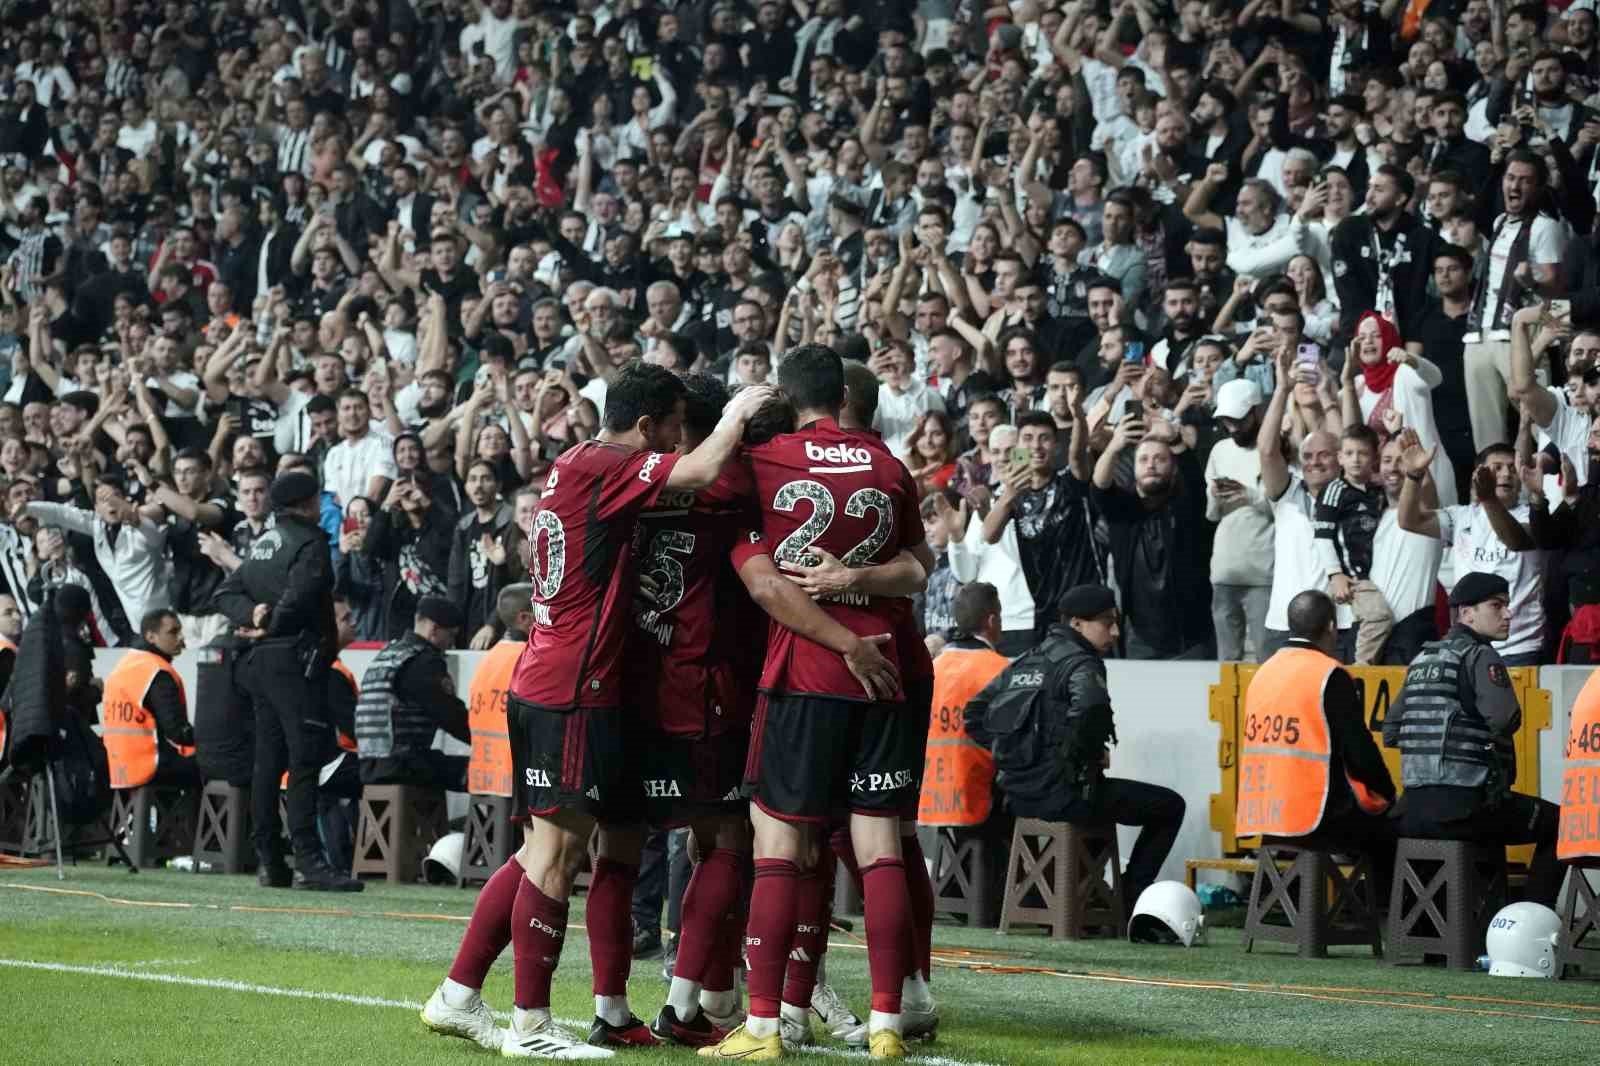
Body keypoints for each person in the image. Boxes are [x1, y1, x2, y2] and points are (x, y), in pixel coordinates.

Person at [439, 363, 770, 1060]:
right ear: (647, 427)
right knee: (559, 858)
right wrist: (739, 417)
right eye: (671, 430)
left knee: (546, 852)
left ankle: (461, 992)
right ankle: (532, 1025)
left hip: (574, 678)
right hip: (579, 687)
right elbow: (700, 474)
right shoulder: (621, 466)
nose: (678, 442)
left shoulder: (572, 462)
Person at [707, 344, 926, 1061]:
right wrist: (860, 577)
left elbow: (768, 585)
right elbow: (918, 570)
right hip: (887, 670)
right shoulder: (889, 465)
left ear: (788, 396)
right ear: (845, 394)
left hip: (809, 673)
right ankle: (890, 1019)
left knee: (779, 842)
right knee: (880, 845)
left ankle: (765, 1024)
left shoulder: (765, 461)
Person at [965, 584, 1186, 911]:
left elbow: (973, 713)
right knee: (1170, 807)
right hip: (1064, 796)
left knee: (1100, 801)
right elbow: (1090, 709)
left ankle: (1086, 893)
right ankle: (1127, 897)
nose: (1114, 631)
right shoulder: (1083, 662)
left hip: (1017, 795)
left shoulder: (1028, 659)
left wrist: (1013, 755)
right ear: (1077, 624)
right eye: (1105, 622)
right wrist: (1080, 755)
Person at [213, 470, 361, 893]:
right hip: (297, 659)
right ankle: (311, 861)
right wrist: (275, 622)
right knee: (304, 759)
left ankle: (270, 860)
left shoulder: (264, 544)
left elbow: (225, 594)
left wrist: (256, 617)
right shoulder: (311, 541)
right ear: (311, 503)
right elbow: (304, 592)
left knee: (268, 760)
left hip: (262, 662)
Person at [1384, 572, 1561, 907]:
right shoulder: (1481, 656)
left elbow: (1392, 732)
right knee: (1561, 824)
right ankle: (1531, 925)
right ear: (1466, 614)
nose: (1508, 614)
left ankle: (1437, 941)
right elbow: (1505, 719)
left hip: (1412, 813)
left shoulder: (1422, 660)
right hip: (1465, 809)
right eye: (1497, 605)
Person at [1237, 590, 1397, 888]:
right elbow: (1360, 751)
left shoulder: (1264, 672)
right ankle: (1381, 919)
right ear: (1332, 627)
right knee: (1395, 829)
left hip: (1266, 818)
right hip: (1315, 816)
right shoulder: (1327, 674)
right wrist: (1388, 793)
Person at [354, 596, 471, 790]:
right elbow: (452, 717)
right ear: (434, 629)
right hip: (402, 765)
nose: (451, 643)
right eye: (450, 635)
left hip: (368, 766)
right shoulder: (423, 662)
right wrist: (488, 740)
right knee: (481, 771)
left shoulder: (387, 655)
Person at [1315, 426, 1392, 664]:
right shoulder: (1334, 490)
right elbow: (1323, 537)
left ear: (1374, 459)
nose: (1355, 459)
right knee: (1380, 617)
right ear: (1340, 458)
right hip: (1350, 578)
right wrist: (1335, 574)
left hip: (1374, 576)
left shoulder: (1378, 493)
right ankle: (1361, 669)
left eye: (1362, 453)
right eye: (1349, 453)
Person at [100, 607, 197, 789]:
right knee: (217, 766)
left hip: (119, 767)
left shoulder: (125, 663)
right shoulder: (157, 671)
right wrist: (209, 739)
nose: (181, 638)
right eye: (173, 632)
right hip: (150, 765)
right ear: (151, 637)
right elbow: (177, 732)